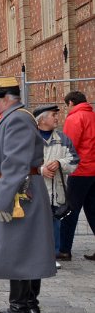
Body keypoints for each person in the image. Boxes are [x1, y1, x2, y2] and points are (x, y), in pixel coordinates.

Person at [0, 70, 55, 313]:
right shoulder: (11, 118)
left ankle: (20, 310)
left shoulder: (17, 120)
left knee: (20, 251)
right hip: (15, 192)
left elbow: (15, 163)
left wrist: (3, 200)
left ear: (5, 99)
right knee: (22, 249)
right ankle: (26, 305)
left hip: (18, 196)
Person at [35, 104, 78, 263]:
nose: (57, 118)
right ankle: (35, 256)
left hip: (56, 192)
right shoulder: (28, 139)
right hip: (35, 191)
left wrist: (60, 163)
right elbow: (19, 165)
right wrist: (40, 170)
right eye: (53, 115)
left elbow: (74, 161)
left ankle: (52, 256)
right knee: (35, 225)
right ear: (42, 120)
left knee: (55, 225)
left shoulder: (63, 139)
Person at [59, 91, 95, 261]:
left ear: (71, 102)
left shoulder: (75, 118)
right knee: (93, 210)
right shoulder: (92, 116)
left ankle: (64, 249)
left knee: (70, 211)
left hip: (80, 170)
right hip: (93, 170)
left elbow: (69, 145)